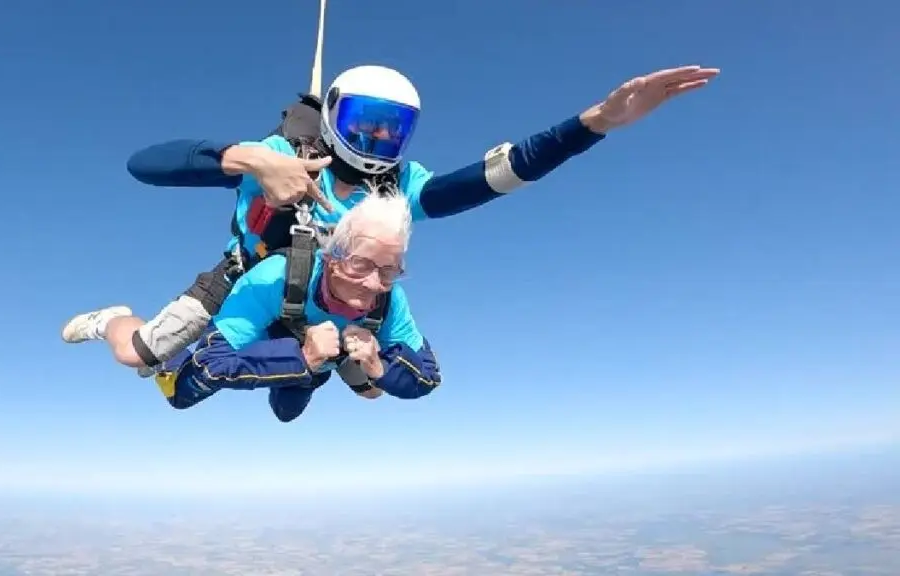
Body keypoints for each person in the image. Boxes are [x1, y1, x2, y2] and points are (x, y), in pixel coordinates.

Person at [62, 64, 720, 384]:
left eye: (393, 128)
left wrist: (594, 124)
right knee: (140, 355)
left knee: (350, 382)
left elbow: (496, 176)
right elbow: (142, 165)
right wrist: (252, 159)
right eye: (363, 125)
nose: (377, 139)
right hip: (242, 283)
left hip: (338, 303)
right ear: (334, 118)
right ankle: (110, 316)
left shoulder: (402, 187)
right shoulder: (281, 158)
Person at [151, 192, 440, 422]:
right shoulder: (277, 276)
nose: (374, 283)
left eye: (389, 271)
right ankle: (138, 337)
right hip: (280, 338)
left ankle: (332, 368)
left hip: (331, 353)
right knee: (181, 395)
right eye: (359, 265)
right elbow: (211, 364)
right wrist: (302, 357)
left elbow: (428, 376)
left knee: (351, 395)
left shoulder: (390, 300)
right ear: (331, 259)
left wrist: (376, 365)